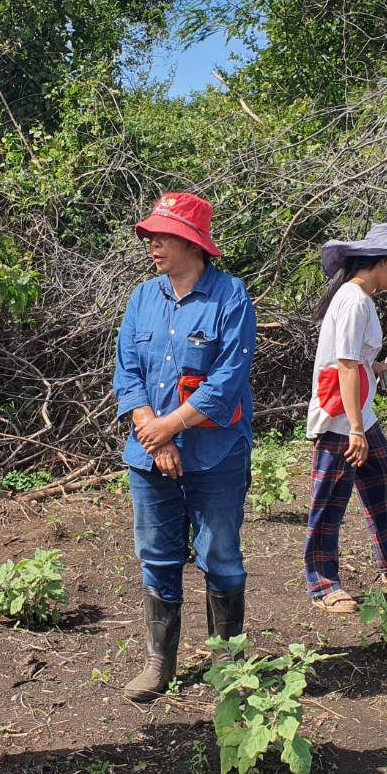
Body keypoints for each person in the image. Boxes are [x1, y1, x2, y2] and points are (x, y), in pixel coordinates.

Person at [113, 193, 257, 702]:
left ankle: (228, 665)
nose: (153, 244)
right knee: (156, 553)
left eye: (164, 235)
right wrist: (152, 432)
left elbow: (227, 381)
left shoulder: (231, 298)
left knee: (220, 553)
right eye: (150, 235)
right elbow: (127, 372)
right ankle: (160, 661)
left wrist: (170, 426)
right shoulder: (142, 299)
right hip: (150, 451)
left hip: (216, 453)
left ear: (194, 243)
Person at [303, 222, 387, 613]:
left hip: (359, 415)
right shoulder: (354, 300)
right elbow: (345, 367)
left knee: (386, 483)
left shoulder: (360, 299)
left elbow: (361, 362)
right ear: (384, 262)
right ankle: (323, 584)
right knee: (329, 502)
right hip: (341, 418)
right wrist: (355, 429)